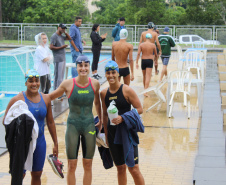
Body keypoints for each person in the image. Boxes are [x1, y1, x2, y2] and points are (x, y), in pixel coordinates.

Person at [49, 55, 102, 185]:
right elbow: (50, 97)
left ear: (89, 67)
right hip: (73, 126)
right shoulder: (68, 84)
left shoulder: (95, 84)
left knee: (88, 164)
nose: (83, 68)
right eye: (80, 66)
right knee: (72, 165)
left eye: (86, 66)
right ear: (76, 67)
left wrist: (101, 119)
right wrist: (31, 97)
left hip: (89, 126)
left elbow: (97, 102)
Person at [3, 69, 58, 185]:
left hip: (39, 142)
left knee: (37, 173)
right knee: (19, 174)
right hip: (23, 144)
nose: (34, 84)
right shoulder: (18, 100)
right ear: (25, 83)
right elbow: (5, 121)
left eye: (37, 81)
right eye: (30, 81)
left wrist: (56, 143)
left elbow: (51, 122)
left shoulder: (46, 99)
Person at [100, 61, 145, 185]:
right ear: (105, 74)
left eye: (113, 72)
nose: (111, 75)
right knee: (120, 168)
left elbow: (140, 109)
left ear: (118, 73)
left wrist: (123, 118)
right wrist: (106, 135)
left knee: (134, 169)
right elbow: (104, 114)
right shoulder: (104, 93)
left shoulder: (126, 90)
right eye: (108, 73)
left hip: (127, 134)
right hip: (113, 135)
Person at [50, 23, 75, 91]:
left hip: (63, 58)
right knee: (58, 76)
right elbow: (51, 47)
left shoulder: (61, 36)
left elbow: (69, 38)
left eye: (64, 28)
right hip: (58, 59)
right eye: (62, 28)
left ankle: (59, 90)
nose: (63, 29)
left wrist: (65, 32)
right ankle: (56, 90)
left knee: (61, 76)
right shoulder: (54, 36)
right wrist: (62, 47)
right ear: (58, 27)